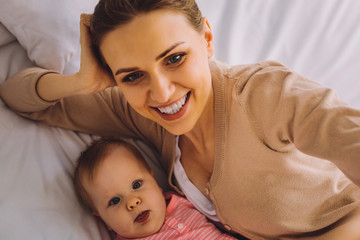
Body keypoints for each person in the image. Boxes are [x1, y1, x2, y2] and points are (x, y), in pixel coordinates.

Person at [0, 0, 360, 239]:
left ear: (206, 38)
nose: (162, 93)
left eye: (174, 59)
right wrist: (82, 81)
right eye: (132, 75)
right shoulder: (140, 114)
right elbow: (20, 97)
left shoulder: (267, 95)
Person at [74, 137, 238, 239]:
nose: (132, 202)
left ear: (154, 181)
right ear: (103, 219)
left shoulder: (184, 198)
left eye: (136, 185)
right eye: (114, 201)